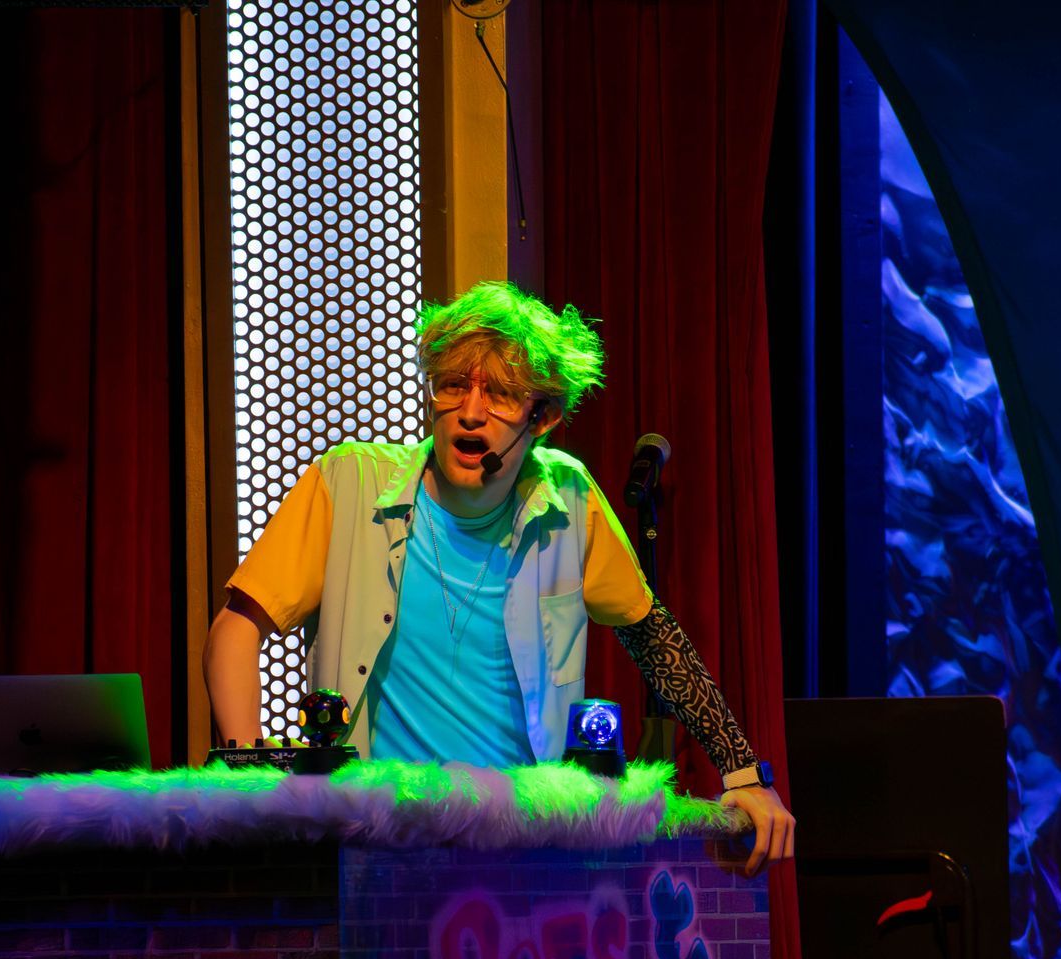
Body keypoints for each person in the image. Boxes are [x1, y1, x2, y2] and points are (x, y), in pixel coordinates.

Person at [204, 281, 794, 871]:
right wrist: (246, 778)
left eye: (502, 394)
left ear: (544, 416)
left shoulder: (568, 497)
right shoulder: (348, 485)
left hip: (522, 857)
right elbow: (236, 627)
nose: (470, 412)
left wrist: (742, 769)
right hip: (376, 847)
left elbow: (653, 636)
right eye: (454, 385)